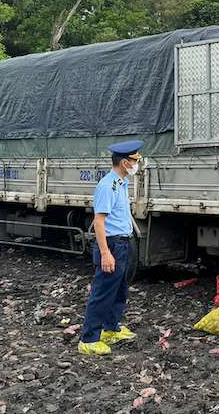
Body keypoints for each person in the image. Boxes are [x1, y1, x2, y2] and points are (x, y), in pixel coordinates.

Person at [78, 140, 143, 356]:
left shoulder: (121, 183)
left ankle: (110, 328)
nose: (138, 164)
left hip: (123, 242)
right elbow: (99, 221)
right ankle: (89, 339)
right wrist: (105, 252)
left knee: (119, 289)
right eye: (135, 160)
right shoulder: (108, 185)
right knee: (103, 291)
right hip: (112, 244)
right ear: (125, 163)